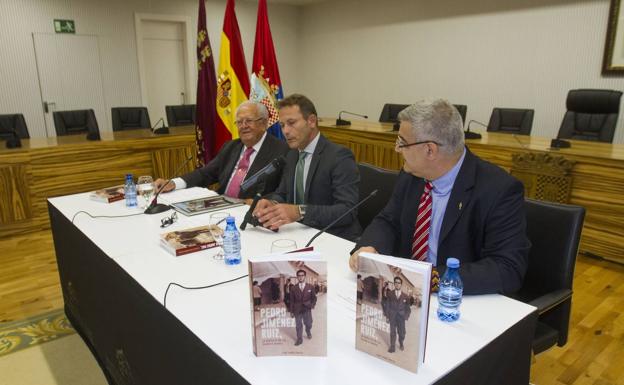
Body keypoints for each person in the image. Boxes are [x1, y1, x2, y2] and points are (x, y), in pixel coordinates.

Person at [349, 99, 530, 295]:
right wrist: (369, 247)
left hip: (457, 301)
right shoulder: (412, 175)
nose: (397, 149)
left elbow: (507, 268)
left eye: (402, 142)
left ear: (430, 150)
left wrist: (428, 279)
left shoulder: (499, 190)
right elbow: (389, 221)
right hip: (404, 293)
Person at [252, 94, 361, 241]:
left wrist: (300, 211)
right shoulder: (292, 154)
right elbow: (283, 193)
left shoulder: (339, 156)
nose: (285, 131)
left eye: (291, 123)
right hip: (298, 232)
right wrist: (272, 203)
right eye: (282, 125)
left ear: (311, 121)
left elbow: (347, 211)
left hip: (333, 237)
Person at [154, 101, 289, 199]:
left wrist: (258, 202)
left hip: (251, 213)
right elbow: (205, 174)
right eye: (239, 122)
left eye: (249, 121)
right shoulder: (231, 147)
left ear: (264, 123)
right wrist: (173, 183)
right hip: (220, 206)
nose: (243, 126)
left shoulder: (282, 150)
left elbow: (284, 191)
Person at [289, 269, 317, 346]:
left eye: (302, 275)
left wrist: (312, 305)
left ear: (305, 276)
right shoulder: (293, 288)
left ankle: (308, 331)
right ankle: (299, 339)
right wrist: (291, 311)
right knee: (298, 325)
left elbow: (314, 298)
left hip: (307, 309)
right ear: (297, 277)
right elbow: (291, 300)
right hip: (297, 309)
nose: (300, 277)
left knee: (309, 323)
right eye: (299, 276)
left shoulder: (310, 287)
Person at [384, 276, 411, 353]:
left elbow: (408, 308)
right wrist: (387, 316)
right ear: (394, 283)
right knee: (392, 332)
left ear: (401, 284)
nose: (397, 284)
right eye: (396, 282)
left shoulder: (405, 296)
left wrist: (406, 316)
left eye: (399, 283)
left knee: (402, 333)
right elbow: (387, 305)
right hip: (392, 316)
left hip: (401, 317)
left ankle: (401, 342)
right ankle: (392, 347)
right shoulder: (390, 293)